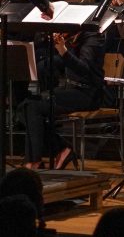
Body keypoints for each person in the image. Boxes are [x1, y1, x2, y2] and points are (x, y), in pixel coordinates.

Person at [20, 27, 105, 169]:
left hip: (88, 94)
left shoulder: (93, 38)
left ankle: (35, 160)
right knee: (24, 106)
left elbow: (84, 69)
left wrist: (63, 51)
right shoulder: (73, 37)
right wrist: (37, 66)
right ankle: (61, 149)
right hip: (71, 90)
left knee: (32, 107)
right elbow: (61, 61)